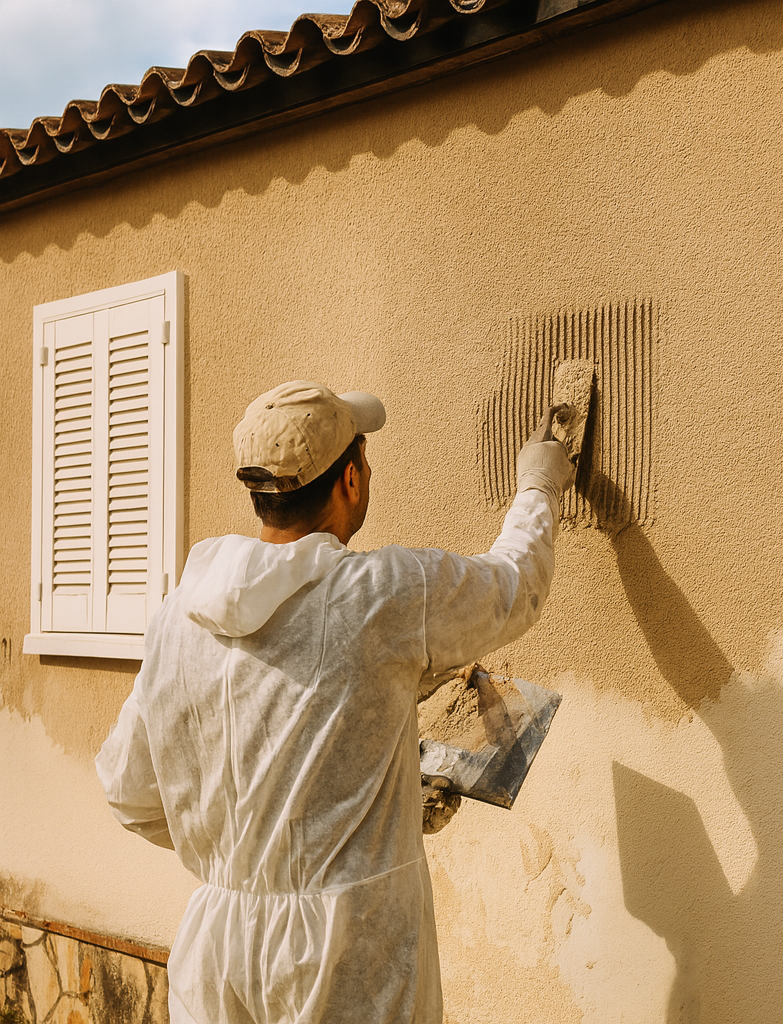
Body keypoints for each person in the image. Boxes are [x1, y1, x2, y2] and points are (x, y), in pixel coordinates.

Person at [95, 379, 574, 1024]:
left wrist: (246, 852)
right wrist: (539, 487)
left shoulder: (177, 618)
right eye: (365, 459)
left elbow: (130, 793)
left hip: (217, 957)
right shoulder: (379, 595)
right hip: (346, 955)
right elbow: (515, 587)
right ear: (350, 480)